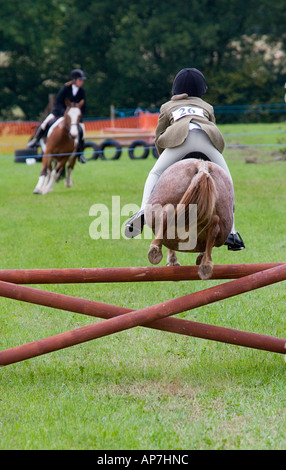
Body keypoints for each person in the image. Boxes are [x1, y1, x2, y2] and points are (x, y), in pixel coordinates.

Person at [125, 67, 245, 251]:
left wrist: (167, 160)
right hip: (207, 139)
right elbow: (213, 128)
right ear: (201, 90)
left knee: (155, 172)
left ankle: (143, 211)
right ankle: (232, 233)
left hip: (180, 139)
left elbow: (160, 138)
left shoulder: (167, 107)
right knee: (227, 181)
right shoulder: (207, 107)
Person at [28, 68, 87, 163]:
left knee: (82, 131)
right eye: (80, 80)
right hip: (59, 112)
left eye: (82, 80)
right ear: (74, 80)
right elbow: (58, 101)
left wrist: (78, 115)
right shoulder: (65, 88)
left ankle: (80, 154)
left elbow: (84, 106)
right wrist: (65, 113)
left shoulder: (82, 91)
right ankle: (35, 141)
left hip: (74, 117)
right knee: (45, 123)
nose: (81, 82)